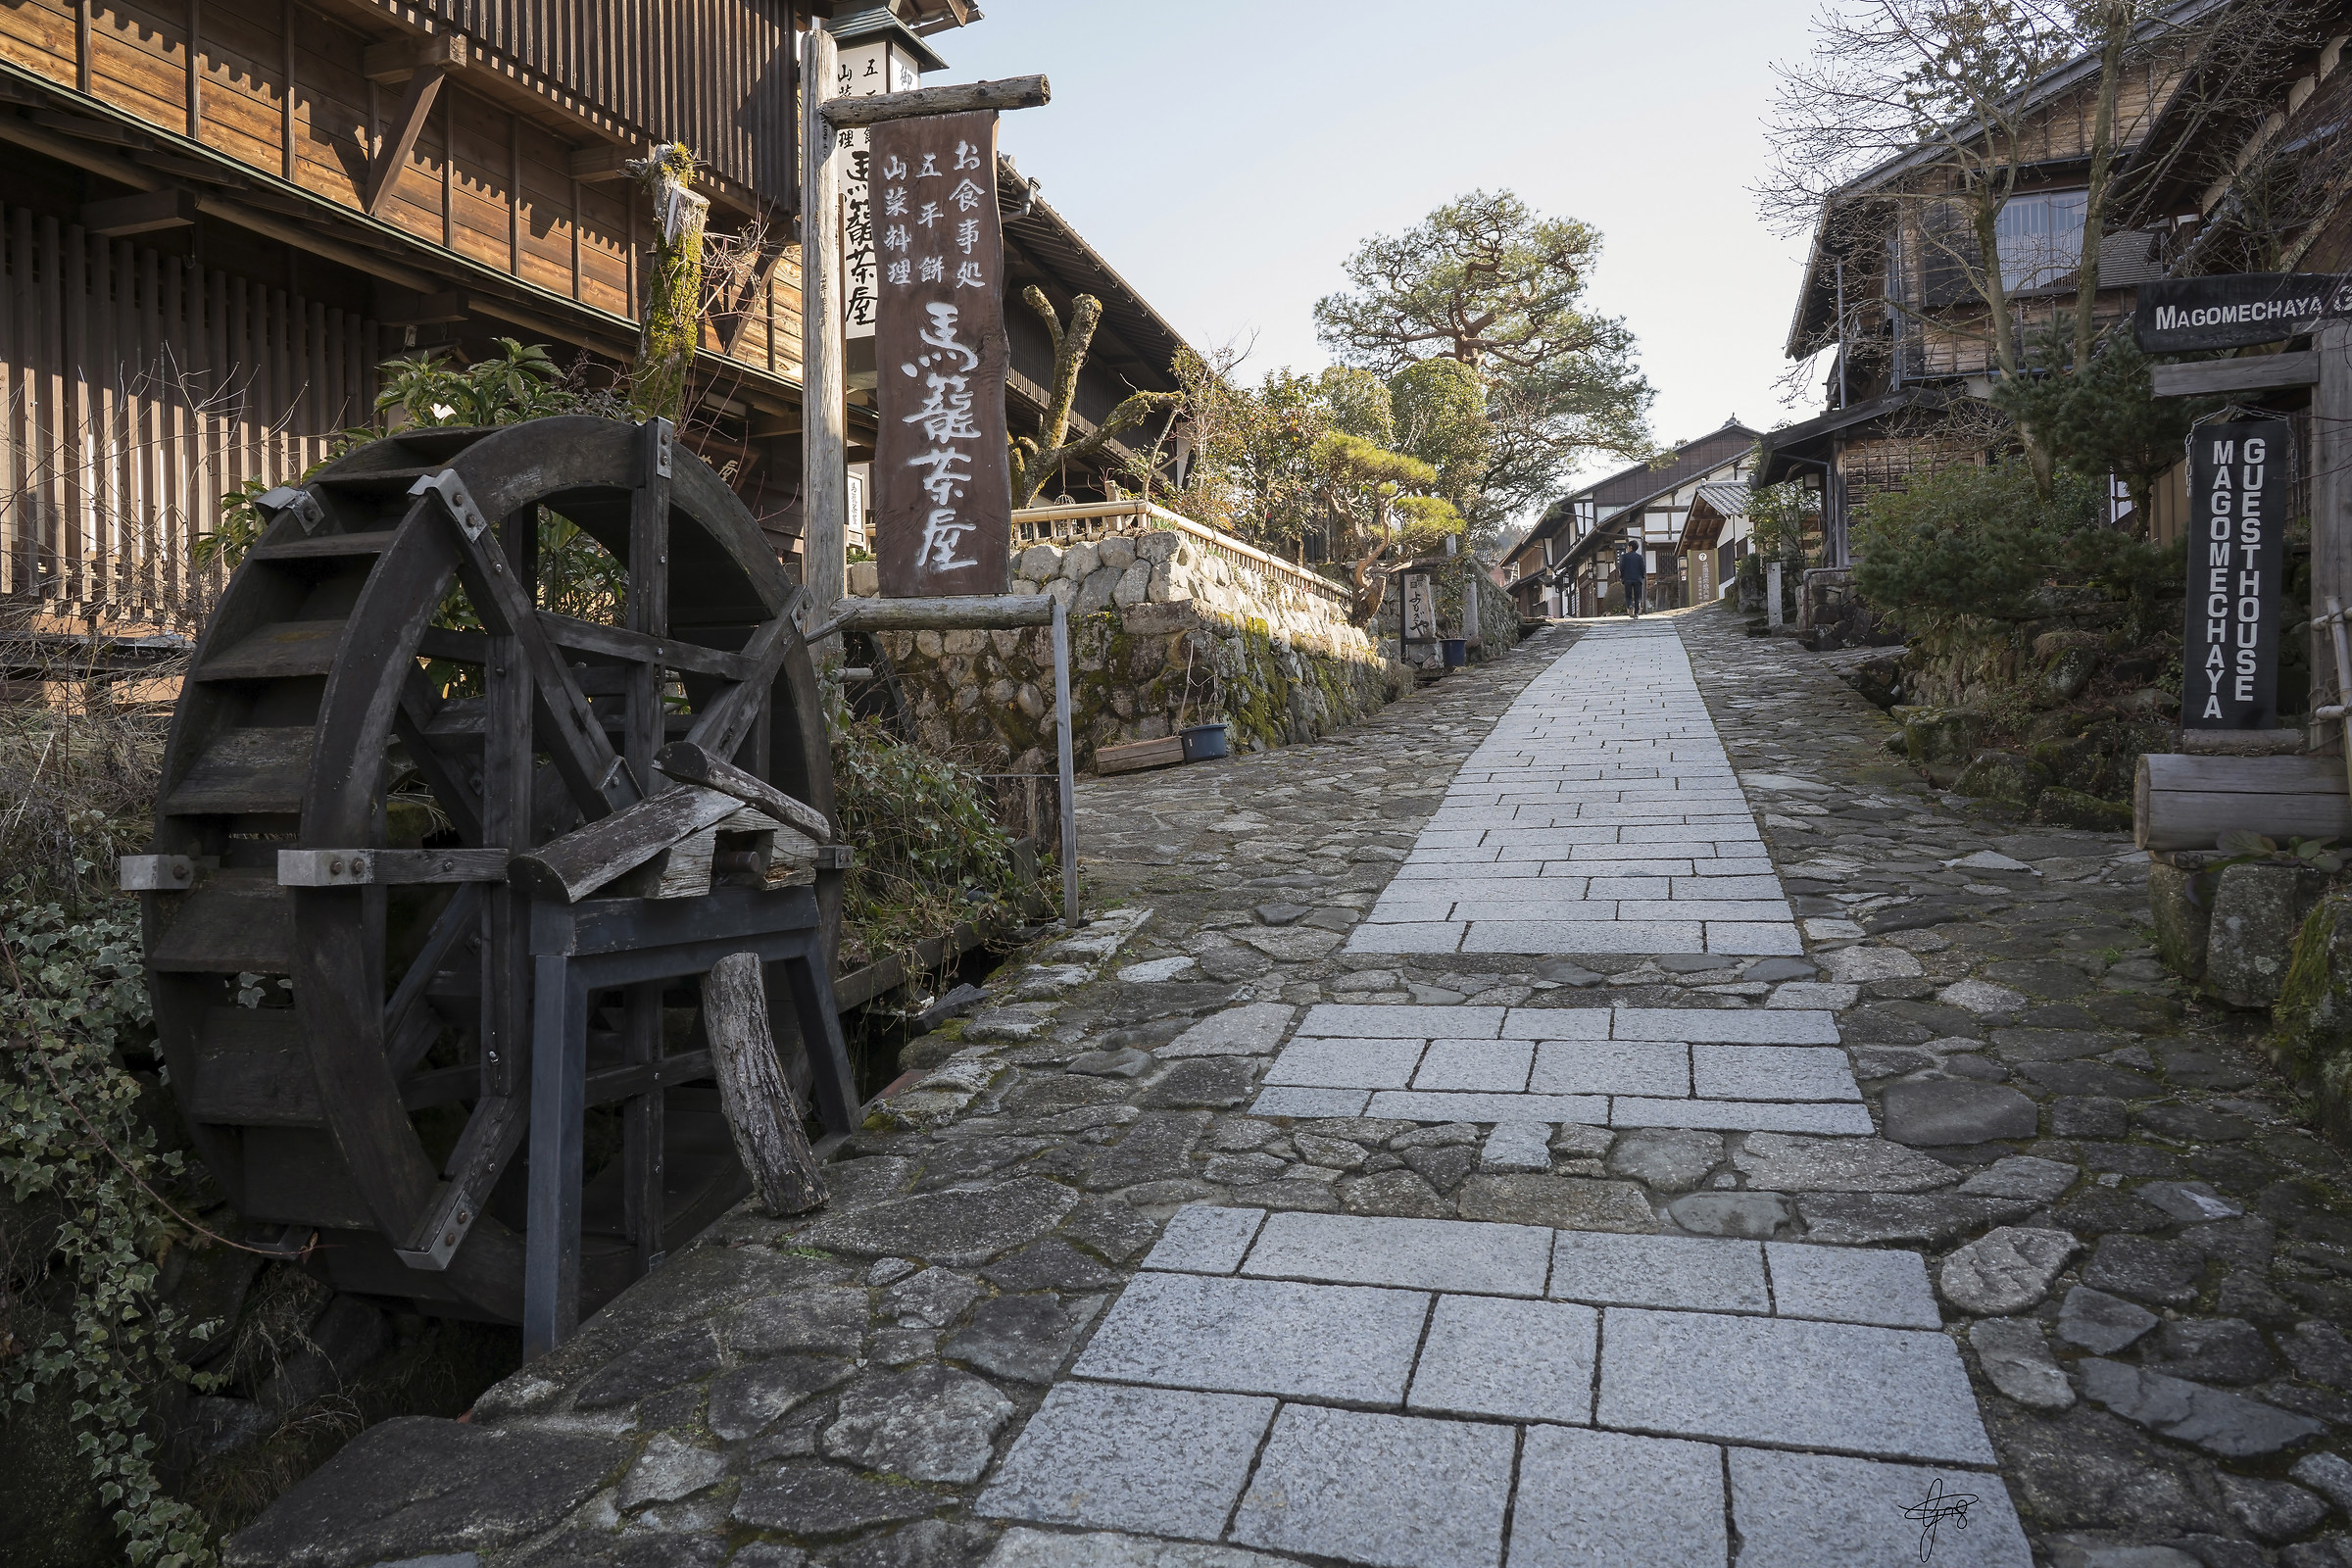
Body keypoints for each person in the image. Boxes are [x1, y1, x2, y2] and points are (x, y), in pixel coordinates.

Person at [1615, 541, 1647, 619]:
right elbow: (1643, 568)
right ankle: (1636, 612)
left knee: (1628, 596)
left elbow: (1621, 568)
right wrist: (1642, 577)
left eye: (1628, 547)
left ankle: (1629, 606)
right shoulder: (1640, 557)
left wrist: (1622, 577)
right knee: (1637, 597)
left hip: (1627, 579)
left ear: (1630, 547)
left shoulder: (1625, 557)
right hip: (1637, 579)